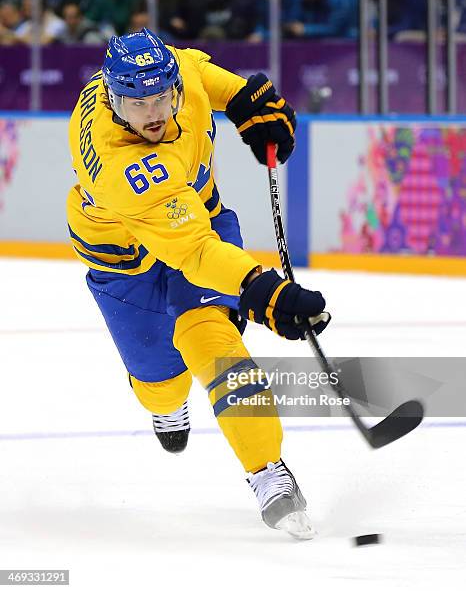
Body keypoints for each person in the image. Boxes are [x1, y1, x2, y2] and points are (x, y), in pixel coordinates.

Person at [66, 28, 330, 539]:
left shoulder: (175, 73)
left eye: (162, 96)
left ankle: (266, 469)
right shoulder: (120, 166)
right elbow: (193, 254)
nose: (154, 111)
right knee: (160, 387)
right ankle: (167, 401)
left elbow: (212, 80)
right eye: (137, 103)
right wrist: (265, 293)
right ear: (112, 99)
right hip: (127, 260)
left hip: (200, 222)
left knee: (213, 341)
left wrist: (253, 105)